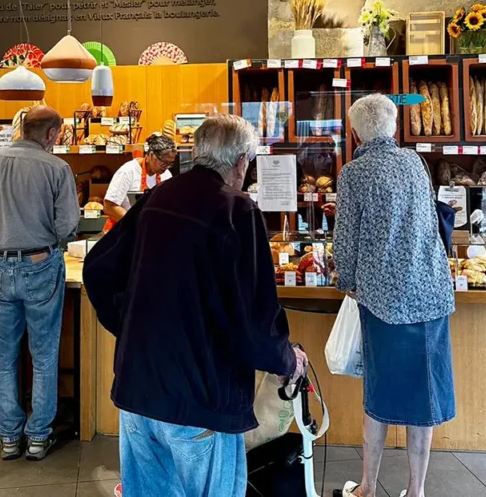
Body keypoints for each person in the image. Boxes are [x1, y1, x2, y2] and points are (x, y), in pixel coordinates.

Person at [83, 113, 307, 497]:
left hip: (138, 387)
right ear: (240, 162)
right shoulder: (238, 210)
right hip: (200, 396)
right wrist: (286, 360)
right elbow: (255, 315)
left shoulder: (157, 197)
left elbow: (98, 269)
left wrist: (133, 327)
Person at [332, 94, 456, 497]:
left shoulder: (354, 173)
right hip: (430, 293)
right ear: (395, 128)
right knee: (424, 395)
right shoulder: (415, 163)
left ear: (355, 133)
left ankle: (368, 487)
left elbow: (345, 238)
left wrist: (345, 281)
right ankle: (416, 491)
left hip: (383, 298)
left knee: (380, 391)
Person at [0, 105, 80, 461]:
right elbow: (67, 227)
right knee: (44, 354)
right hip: (40, 264)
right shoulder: (57, 168)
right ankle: (38, 436)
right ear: (50, 134)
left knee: (4, 353)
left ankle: (9, 436)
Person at [102, 133, 177, 230]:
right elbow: (109, 207)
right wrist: (136, 221)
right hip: (124, 231)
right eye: (164, 162)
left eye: (170, 163)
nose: (167, 167)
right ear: (151, 155)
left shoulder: (166, 175)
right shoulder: (128, 172)